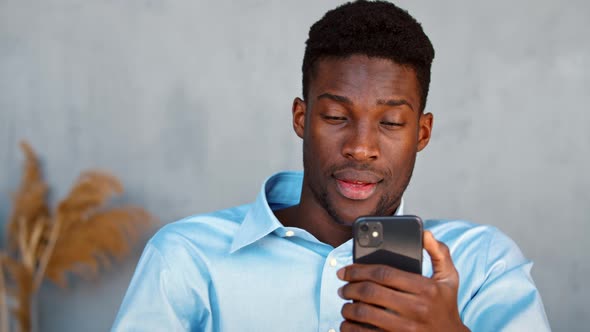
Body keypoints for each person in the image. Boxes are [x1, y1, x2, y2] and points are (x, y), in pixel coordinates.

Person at [112, 1, 550, 331]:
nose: (361, 148)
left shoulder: (482, 266)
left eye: (392, 122)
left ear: (422, 133)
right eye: (337, 117)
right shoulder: (188, 260)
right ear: (302, 118)